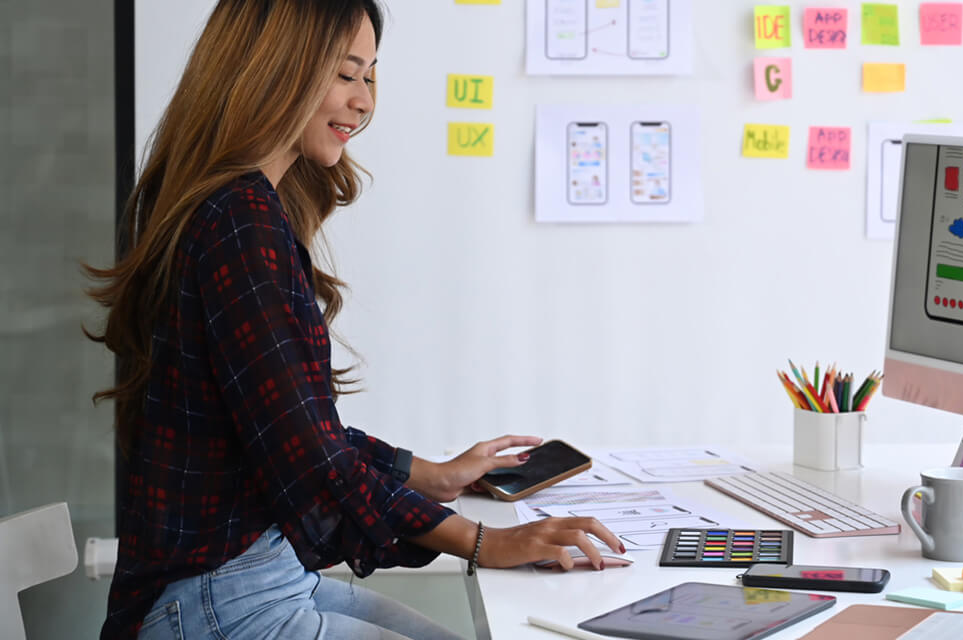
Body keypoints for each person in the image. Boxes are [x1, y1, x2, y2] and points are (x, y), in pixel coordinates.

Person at [84, 2, 623, 638]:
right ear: (274, 71)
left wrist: (430, 474)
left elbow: (296, 430)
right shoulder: (239, 224)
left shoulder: (242, 210)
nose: (363, 102)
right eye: (346, 74)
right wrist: (484, 542)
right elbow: (311, 464)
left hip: (261, 580)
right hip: (219, 600)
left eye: (370, 76)